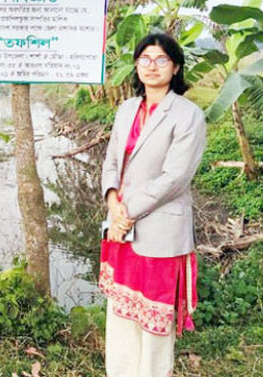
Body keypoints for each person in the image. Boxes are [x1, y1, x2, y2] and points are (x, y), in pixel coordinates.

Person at [99, 33, 207, 376]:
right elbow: (111, 161)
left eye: (161, 60)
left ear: (175, 67)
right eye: (145, 59)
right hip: (121, 226)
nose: (152, 66)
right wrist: (113, 201)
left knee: (154, 319)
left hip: (159, 228)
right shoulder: (127, 108)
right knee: (121, 311)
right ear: (136, 65)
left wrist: (126, 213)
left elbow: (174, 178)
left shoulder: (188, 115)